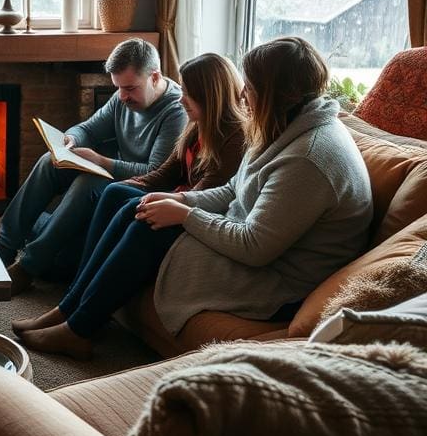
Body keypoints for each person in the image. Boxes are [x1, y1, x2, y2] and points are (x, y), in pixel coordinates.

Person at [24, 37, 373, 359]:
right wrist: (175, 202)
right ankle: (70, 308)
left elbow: (256, 247)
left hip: (279, 280)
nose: (242, 97)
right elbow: (234, 189)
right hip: (249, 239)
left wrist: (185, 215)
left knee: (150, 227)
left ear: (271, 94)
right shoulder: (283, 127)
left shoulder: (308, 159)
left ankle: (79, 329)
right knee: (136, 203)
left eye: (249, 89)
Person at [12, 52, 246, 358]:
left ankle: (79, 327)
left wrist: (149, 195)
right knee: (113, 194)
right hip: (176, 199)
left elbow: (206, 196)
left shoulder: (234, 138)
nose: (181, 99)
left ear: (211, 97)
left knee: (134, 214)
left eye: (189, 95)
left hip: (193, 215)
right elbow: (163, 174)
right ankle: (68, 305)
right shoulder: (195, 126)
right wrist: (123, 188)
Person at [0, 38, 188, 293]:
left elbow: (156, 173)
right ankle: (4, 248)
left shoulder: (175, 111)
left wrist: (101, 161)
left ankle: (28, 267)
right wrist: (71, 139)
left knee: (90, 182)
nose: (122, 96)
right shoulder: (123, 97)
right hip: (115, 173)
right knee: (48, 161)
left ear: (155, 77)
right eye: (118, 87)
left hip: (141, 189)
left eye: (130, 88)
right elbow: (88, 128)